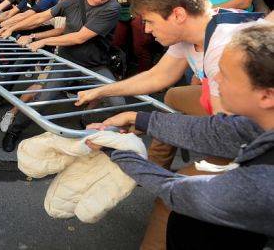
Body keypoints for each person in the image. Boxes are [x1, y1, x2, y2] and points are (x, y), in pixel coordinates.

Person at [86, 22, 274, 250]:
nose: (214, 81)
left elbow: (177, 191)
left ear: (266, 96)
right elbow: (212, 132)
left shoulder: (262, 184)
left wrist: (114, 149)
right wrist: (138, 118)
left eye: (225, 75)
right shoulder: (258, 123)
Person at [76, 0, 265, 169]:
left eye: (150, 21)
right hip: (234, 111)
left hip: (252, 136)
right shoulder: (195, 27)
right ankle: (154, 165)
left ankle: (157, 177)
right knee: (175, 95)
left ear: (178, 15)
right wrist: (100, 91)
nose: (147, 30)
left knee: (169, 198)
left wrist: (140, 122)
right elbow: (158, 75)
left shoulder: (223, 49)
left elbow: (225, 135)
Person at [0, 0, 123, 152]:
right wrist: (9, 27)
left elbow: (79, 37)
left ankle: (87, 120)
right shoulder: (73, 2)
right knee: (43, 99)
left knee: (118, 103)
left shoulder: (112, 8)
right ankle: (14, 130)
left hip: (95, 66)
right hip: (66, 63)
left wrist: (42, 40)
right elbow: (41, 16)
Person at [0, 0, 86, 132]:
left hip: (88, 59)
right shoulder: (60, 6)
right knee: (40, 88)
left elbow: (72, 34)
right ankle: (13, 116)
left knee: (107, 94)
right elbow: (38, 20)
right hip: (63, 56)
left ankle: (87, 117)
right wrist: (6, 26)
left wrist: (37, 38)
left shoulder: (89, 8)